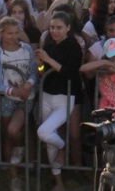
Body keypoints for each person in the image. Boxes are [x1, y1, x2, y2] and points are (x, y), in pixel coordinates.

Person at [0, 16, 37, 191]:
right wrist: (14, 91)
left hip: (25, 99)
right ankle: (14, 176)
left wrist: (29, 84)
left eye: (16, 33)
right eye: (9, 33)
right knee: (8, 136)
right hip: (6, 98)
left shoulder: (27, 49)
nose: (13, 37)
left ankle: (22, 150)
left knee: (13, 130)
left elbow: (33, 71)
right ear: (1, 33)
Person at [35, 12, 84, 191]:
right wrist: (39, 63)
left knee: (44, 131)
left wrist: (48, 59)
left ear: (68, 28)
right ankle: (58, 182)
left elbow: (70, 72)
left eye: (59, 28)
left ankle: (63, 148)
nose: (55, 31)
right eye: (52, 28)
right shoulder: (48, 44)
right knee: (49, 142)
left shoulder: (73, 46)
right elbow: (42, 71)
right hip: (47, 95)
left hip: (65, 97)